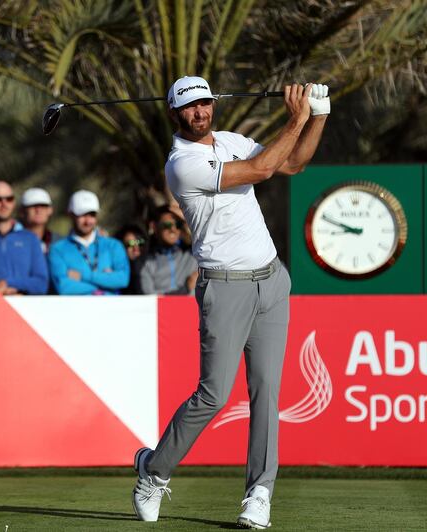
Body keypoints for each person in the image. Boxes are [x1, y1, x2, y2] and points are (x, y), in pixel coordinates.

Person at [131, 76, 329, 529]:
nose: (199, 112)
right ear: (174, 114)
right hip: (225, 286)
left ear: (213, 105)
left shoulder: (233, 140)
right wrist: (296, 116)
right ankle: (153, 471)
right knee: (214, 394)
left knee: (266, 393)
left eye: (204, 103)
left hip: (272, 281)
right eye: (189, 107)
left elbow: (292, 164)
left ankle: (259, 493)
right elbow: (260, 170)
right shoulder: (182, 164)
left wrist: (319, 114)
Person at [48, 190, 129, 295]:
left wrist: (83, 276)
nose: (87, 221)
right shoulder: (57, 249)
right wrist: (105, 283)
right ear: (70, 215)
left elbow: (122, 280)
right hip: (75, 310)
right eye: (82, 215)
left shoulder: (113, 245)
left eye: (92, 215)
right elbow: (64, 287)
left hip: (111, 310)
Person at [139, 206, 198, 295]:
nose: (173, 229)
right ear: (154, 227)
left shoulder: (194, 253)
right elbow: (150, 298)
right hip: (162, 309)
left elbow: (205, 234)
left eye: (178, 225)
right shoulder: (146, 262)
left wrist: (186, 219)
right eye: (167, 225)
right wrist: (185, 288)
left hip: (193, 308)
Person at [19, 187, 58, 254]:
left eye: (43, 206)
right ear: (22, 211)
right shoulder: (11, 242)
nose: (38, 210)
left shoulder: (59, 242)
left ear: (50, 210)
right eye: (33, 206)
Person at [114, 224, 147, 295]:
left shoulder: (151, 265)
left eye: (140, 242)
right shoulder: (115, 272)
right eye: (130, 244)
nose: (136, 248)